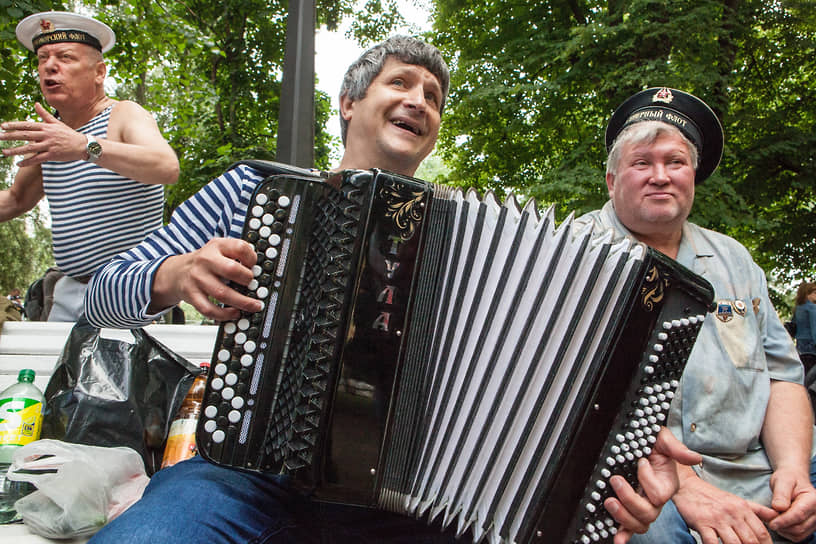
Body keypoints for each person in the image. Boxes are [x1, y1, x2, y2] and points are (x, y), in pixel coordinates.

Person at [84, 38, 699, 544]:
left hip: (413, 511)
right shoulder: (252, 189)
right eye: (400, 83)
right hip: (241, 474)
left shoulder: (469, 238)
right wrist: (175, 274)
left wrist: (616, 454)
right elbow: (100, 297)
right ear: (349, 103)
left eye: (432, 96)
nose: (419, 101)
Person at [577, 87, 816, 544]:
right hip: (634, 473)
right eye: (642, 163)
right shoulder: (574, 252)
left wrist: (793, 471)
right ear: (611, 180)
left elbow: (783, 377)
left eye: (676, 162)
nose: (660, 176)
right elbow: (564, 403)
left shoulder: (735, 260)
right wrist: (685, 489)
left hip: (757, 468)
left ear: (693, 177)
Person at [0, 11, 179, 321]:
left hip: (129, 288)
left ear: (99, 72)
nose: (50, 66)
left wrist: (84, 147)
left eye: (65, 57)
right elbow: (15, 200)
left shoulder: (124, 114)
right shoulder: (51, 135)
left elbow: (166, 167)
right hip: (69, 292)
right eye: (43, 58)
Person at [794, 282, 816, 375]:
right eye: (815, 293)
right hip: (812, 349)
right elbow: (815, 329)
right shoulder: (812, 308)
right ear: (807, 294)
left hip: (800, 350)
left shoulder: (798, 309)